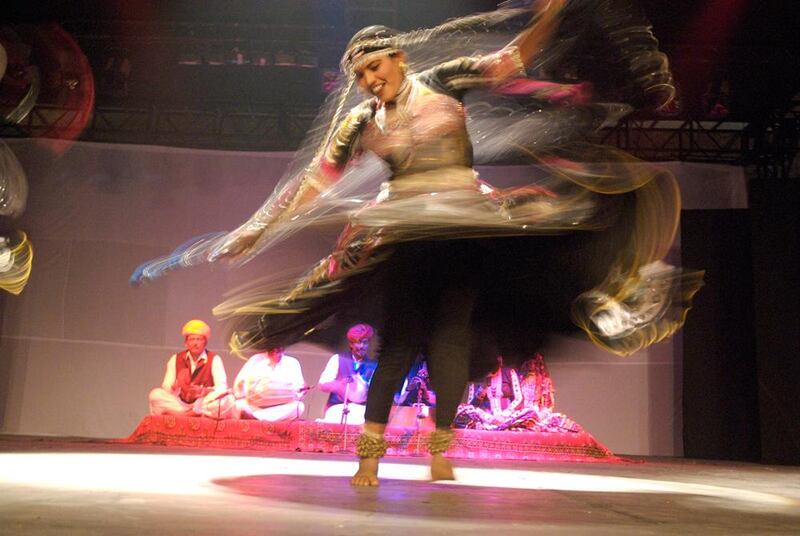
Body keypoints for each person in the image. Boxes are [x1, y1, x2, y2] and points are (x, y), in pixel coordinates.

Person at [143, 1, 701, 485]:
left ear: (398, 59)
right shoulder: (361, 121)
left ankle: (440, 450)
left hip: (464, 226)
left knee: (451, 343)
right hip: (404, 231)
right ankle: (369, 457)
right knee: (401, 344)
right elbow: (313, 183)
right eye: (360, 74)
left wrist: (551, 11)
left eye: (374, 66)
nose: (368, 79)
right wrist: (256, 229)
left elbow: (508, 60)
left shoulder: (444, 81)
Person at [148, 320, 235, 419]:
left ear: (205, 342)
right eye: (192, 339)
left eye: (199, 339)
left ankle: (185, 414)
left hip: (203, 403)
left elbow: (222, 387)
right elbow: (166, 386)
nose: (195, 343)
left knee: (227, 400)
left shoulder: (214, 359)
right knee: (155, 395)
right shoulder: (176, 359)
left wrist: (204, 391)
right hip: (180, 405)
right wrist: (175, 385)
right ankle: (187, 414)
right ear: (186, 343)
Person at [317, 323, 377, 424]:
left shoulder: (373, 366)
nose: (362, 346)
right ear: (351, 344)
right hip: (338, 406)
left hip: (360, 409)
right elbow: (322, 385)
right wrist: (338, 385)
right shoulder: (338, 359)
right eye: (358, 342)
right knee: (334, 418)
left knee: (361, 421)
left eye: (365, 343)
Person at [232, 347, 307, 422]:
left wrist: (302, 390)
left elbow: (299, 391)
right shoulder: (255, 360)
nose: (277, 353)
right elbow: (238, 393)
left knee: (299, 407)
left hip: (281, 408)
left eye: (280, 350)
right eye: (274, 350)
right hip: (256, 407)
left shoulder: (292, 362)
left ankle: (258, 418)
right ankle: (262, 418)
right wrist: (242, 386)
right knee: (238, 405)